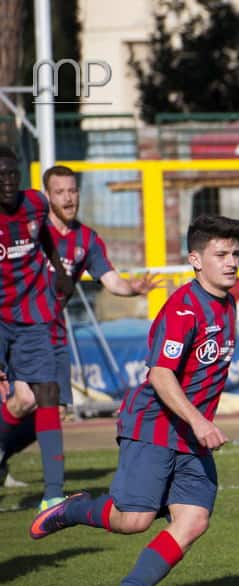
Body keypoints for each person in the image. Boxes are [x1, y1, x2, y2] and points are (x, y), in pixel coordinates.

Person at [29, 214, 239, 586]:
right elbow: (160, 374)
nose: (232, 261)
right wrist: (200, 421)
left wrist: (197, 424)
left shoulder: (227, 304)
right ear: (196, 260)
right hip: (155, 425)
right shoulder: (184, 309)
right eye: (221, 254)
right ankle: (73, 509)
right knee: (133, 520)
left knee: (194, 519)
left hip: (189, 436)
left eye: (235, 253)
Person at [0, 165, 159, 488]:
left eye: (73, 191)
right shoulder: (29, 228)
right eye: (60, 192)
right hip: (19, 327)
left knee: (45, 406)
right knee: (27, 398)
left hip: (53, 332)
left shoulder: (86, 239)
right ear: (46, 196)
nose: (68, 198)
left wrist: (132, 288)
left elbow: (109, 278)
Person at [0, 146, 75, 510]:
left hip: (31, 316)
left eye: (13, 174)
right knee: (20, 399)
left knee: (44, 393)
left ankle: (53, 495)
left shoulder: (34, 204)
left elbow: (43, 235)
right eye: (1, 175)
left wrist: (59, 270)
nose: (8, 181)